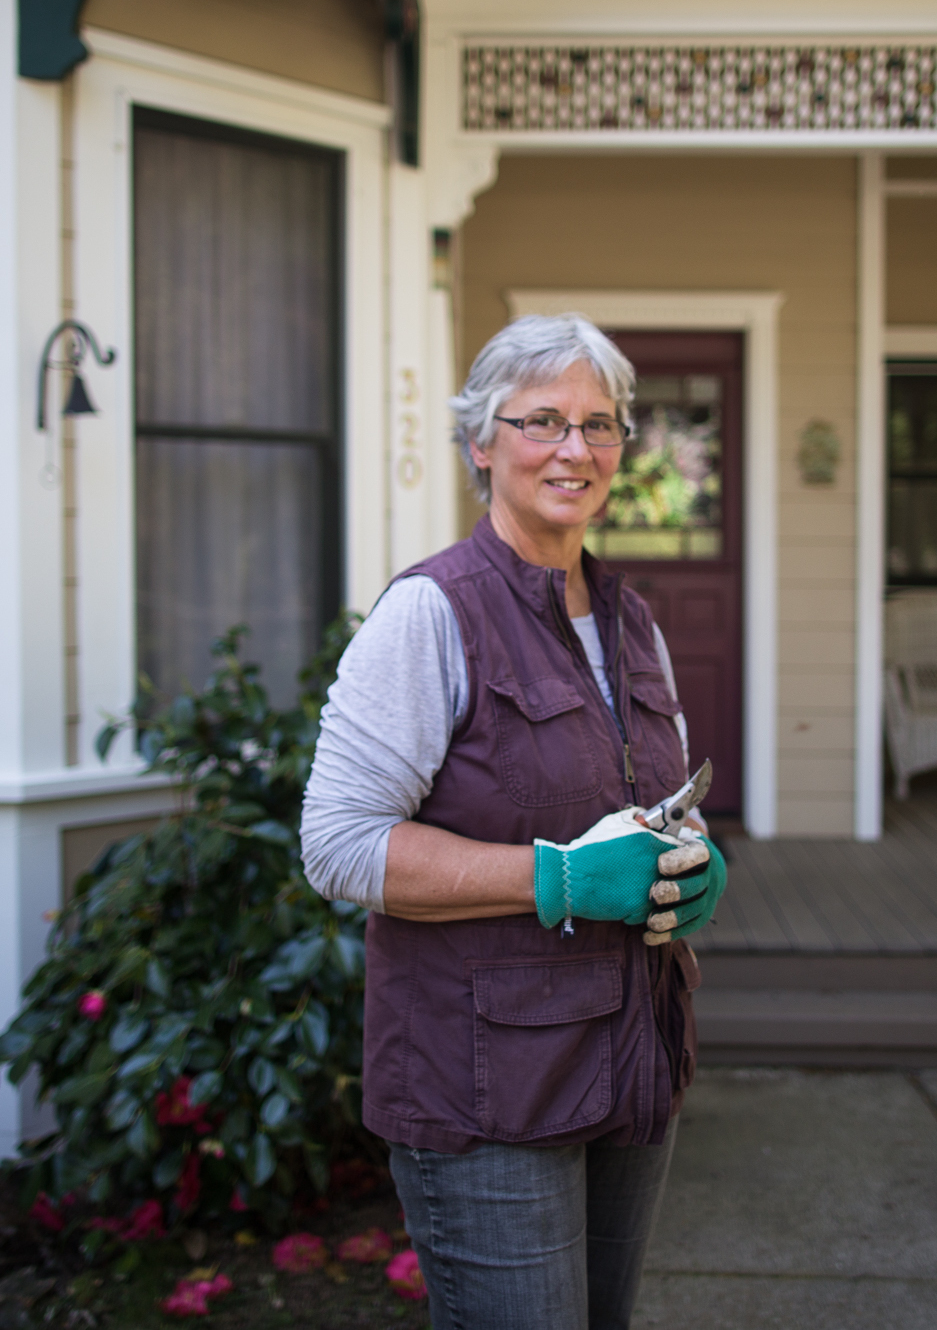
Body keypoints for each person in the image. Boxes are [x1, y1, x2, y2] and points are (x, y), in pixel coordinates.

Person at [300, 313, 729, 1329]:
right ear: (479, 444)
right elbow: (339, 841)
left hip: (630, 1056)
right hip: (487, 1090)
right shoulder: (430, 614)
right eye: (540, 420)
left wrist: (690, 861)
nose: (573, 449)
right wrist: (560, 879)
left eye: (599, 424)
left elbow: (642, 797)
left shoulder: (630, 622)